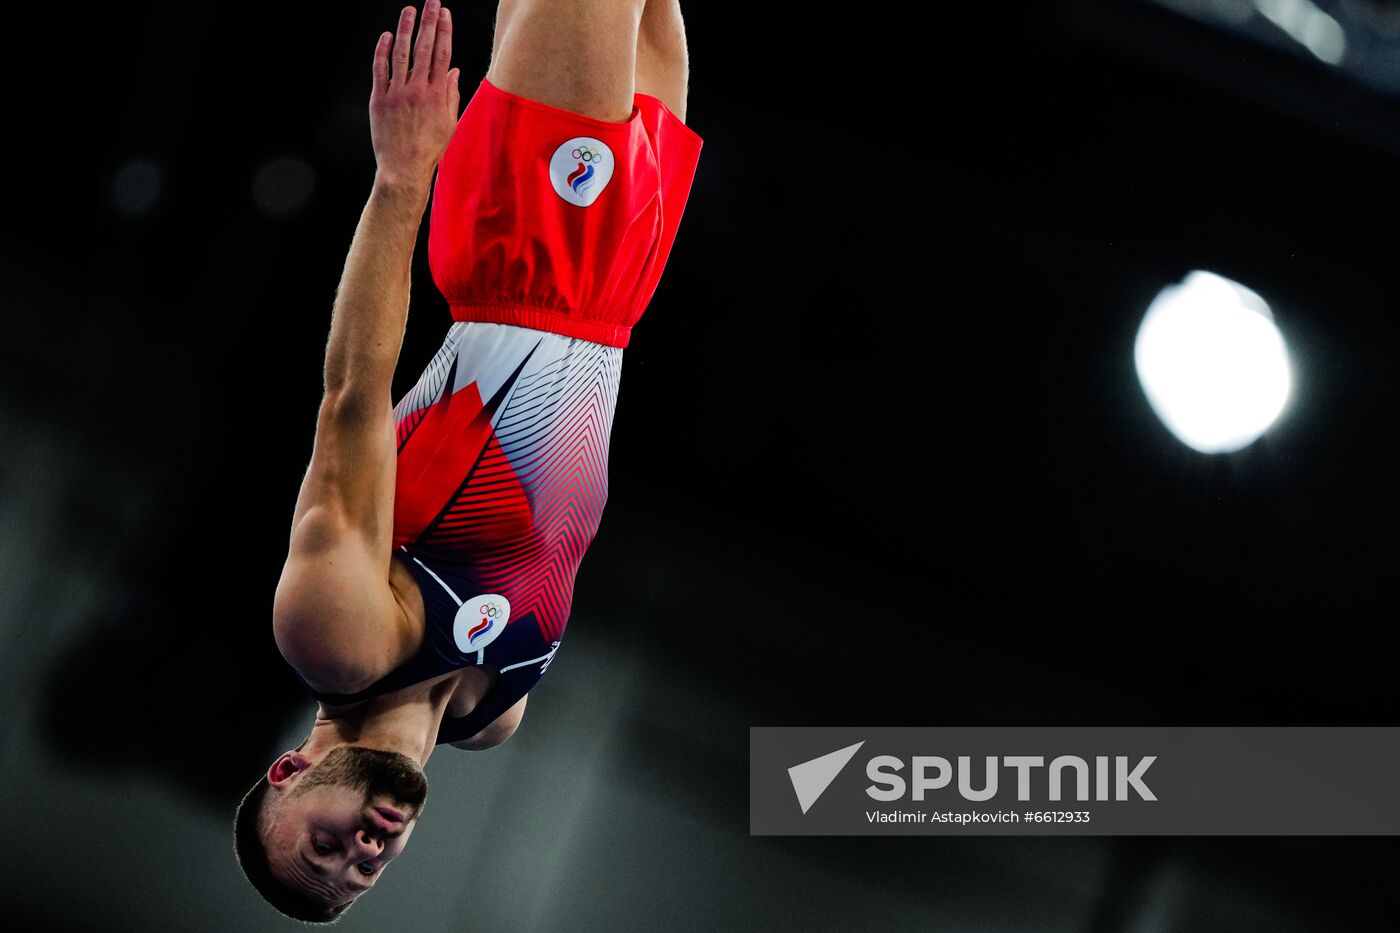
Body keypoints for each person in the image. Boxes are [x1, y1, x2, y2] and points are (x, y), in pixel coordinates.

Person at [232, 0, 702, 921]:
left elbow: (353, 398)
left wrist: (401, 178)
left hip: (525, 246)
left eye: (323, 842)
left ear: (291, 771)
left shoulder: (336, 636)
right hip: (617, 295)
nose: (364, 847)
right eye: (366, 870)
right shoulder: (495, 716)